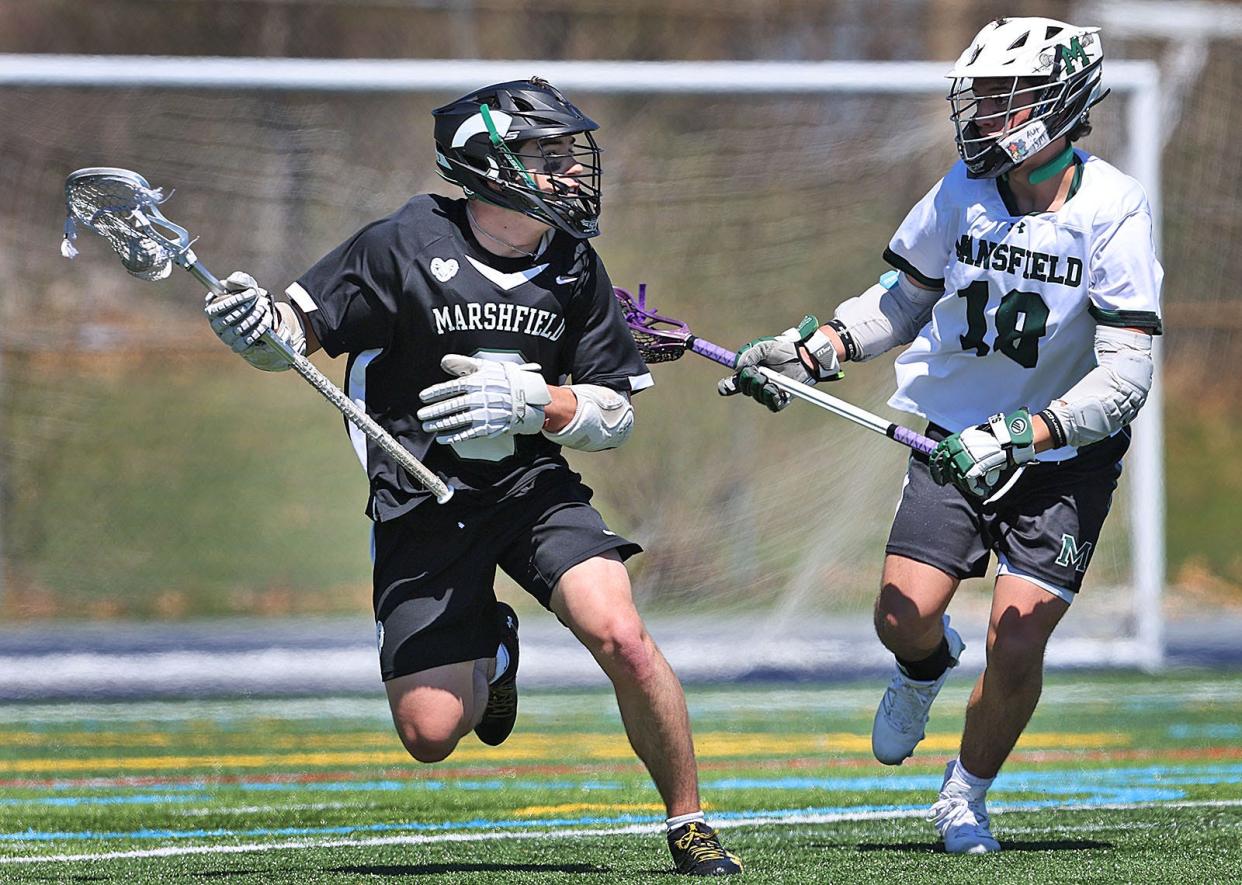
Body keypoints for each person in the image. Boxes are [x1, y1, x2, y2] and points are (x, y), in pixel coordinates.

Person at [205, 77, 742, 876]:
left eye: (570, 155)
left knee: (623, 636)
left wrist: (540, 402)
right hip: (421, 497)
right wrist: (253, 329)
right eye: (548, 156)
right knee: (429, 732)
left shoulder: (573, 265)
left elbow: (616, 416)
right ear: (490, 165)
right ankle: (494, 646)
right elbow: (295, 328)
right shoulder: (402, 242)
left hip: (530, 490)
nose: (570, 172)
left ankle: (690, 822)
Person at [720, 18, 1162, 854]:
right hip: (953, 438)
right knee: (901, 615)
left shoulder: (1114, 209)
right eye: (983, 97)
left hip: (1059, 457)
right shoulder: (962, 188)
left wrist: (1025, 432)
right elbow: (901, 298)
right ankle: (923, 667)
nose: (984, 115)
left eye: (1004, 99)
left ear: (1059, 103)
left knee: (1018, 638)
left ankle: (965, 794)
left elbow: (1126, 378)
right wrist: (815, 352)